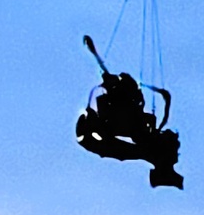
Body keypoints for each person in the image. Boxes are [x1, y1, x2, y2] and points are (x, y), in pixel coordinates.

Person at [76, 38, 184, 189]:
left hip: (99, 131)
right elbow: (166, 98)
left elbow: (165, 98)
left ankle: (165, 176)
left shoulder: (142, 142)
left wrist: (94, 54)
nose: (177, 154)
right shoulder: (141, 136)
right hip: (101, 130)